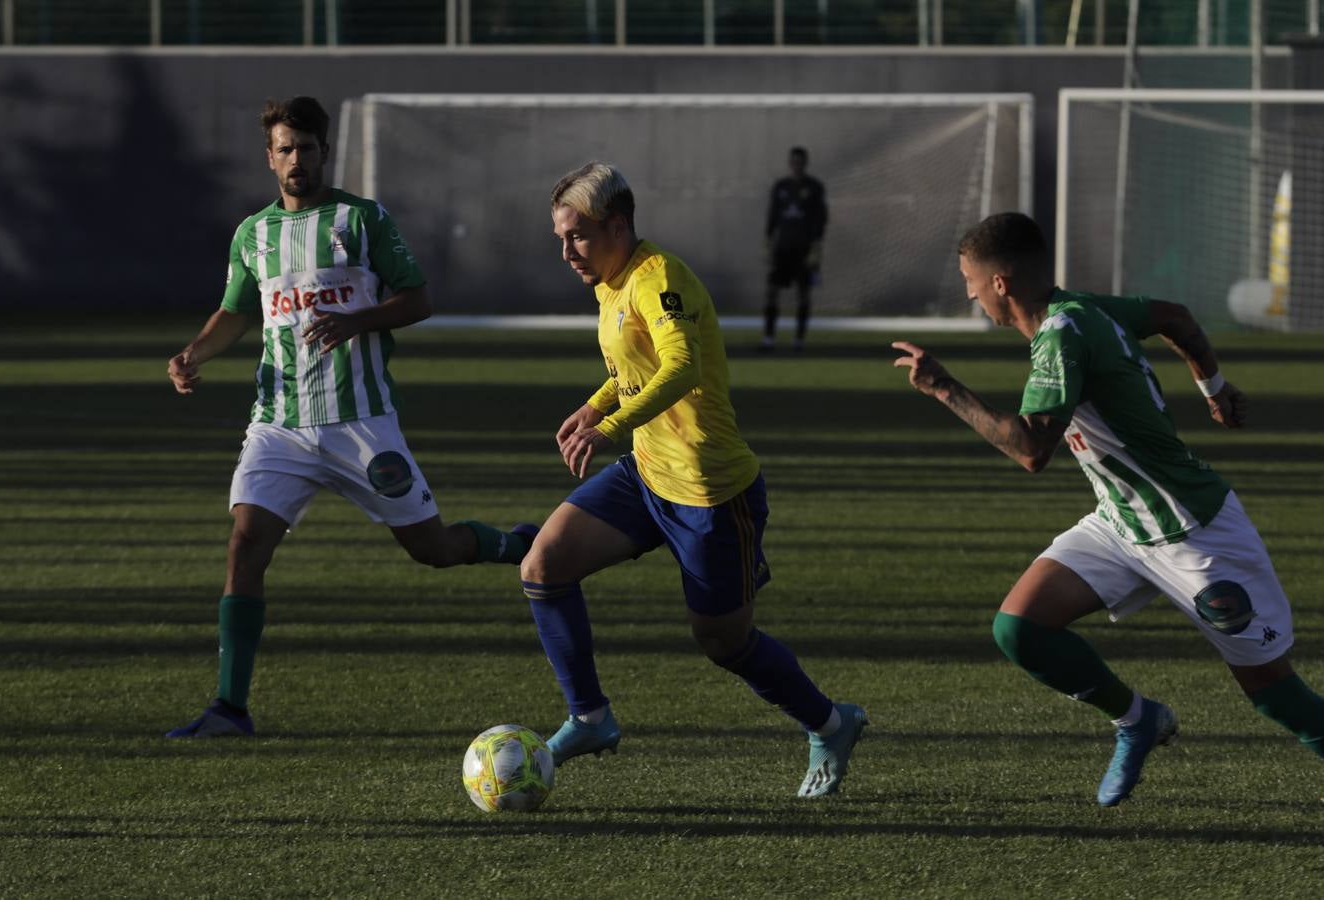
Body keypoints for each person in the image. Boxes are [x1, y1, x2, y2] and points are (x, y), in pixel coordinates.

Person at [893, 211, 1323, 806]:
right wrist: (1214, 388)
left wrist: (945, 388)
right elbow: (1174, 316)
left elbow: (1030, 450)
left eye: (970, 281)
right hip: (1120, 521)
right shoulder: (1083, 309)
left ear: (1000, 283)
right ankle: (1138, 719)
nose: (969, 294)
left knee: (1274, 692)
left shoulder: (1063, 335)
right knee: (1019, 627)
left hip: (1193, 530)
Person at [164, 96, 534, 739]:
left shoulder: (361, 220)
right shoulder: (252, 234)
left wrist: (357, 321)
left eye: (307, 148)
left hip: (361, 421)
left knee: (434, 549)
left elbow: (417, 298)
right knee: (244, 547)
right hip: (278, 423)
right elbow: (234, 312)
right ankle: (229, 708)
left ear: (323, 153)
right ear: (270, 157)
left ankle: (519, 546)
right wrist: (194, 353)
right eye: (285, 149)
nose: (296, 160)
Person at [522, 161, 867, 798]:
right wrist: (599, 404)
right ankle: (590, 718)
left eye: (577, 236)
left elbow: (681, 366)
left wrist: (609, 426)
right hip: (647, 475)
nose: (566, 251)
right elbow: (640, 365)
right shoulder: (610, 279)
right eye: (560, 238)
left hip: (710, 492)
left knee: (723, 641)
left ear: (618, 225)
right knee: (543, 565)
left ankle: (830, 722)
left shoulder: (659, 278)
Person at [761, 146, 827, 352]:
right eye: (794, 161)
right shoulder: (781, 187)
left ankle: (799, 340)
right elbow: (772, 218)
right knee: (772, 291)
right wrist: (768, 245)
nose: (796, 165)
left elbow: (821, 218)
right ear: (790, 163)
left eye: (800, 161)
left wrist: (816, 247)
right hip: (783, 248)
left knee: (803, 293)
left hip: (804, 248)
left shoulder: (814, 187)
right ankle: (768, 339)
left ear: (805, 163)